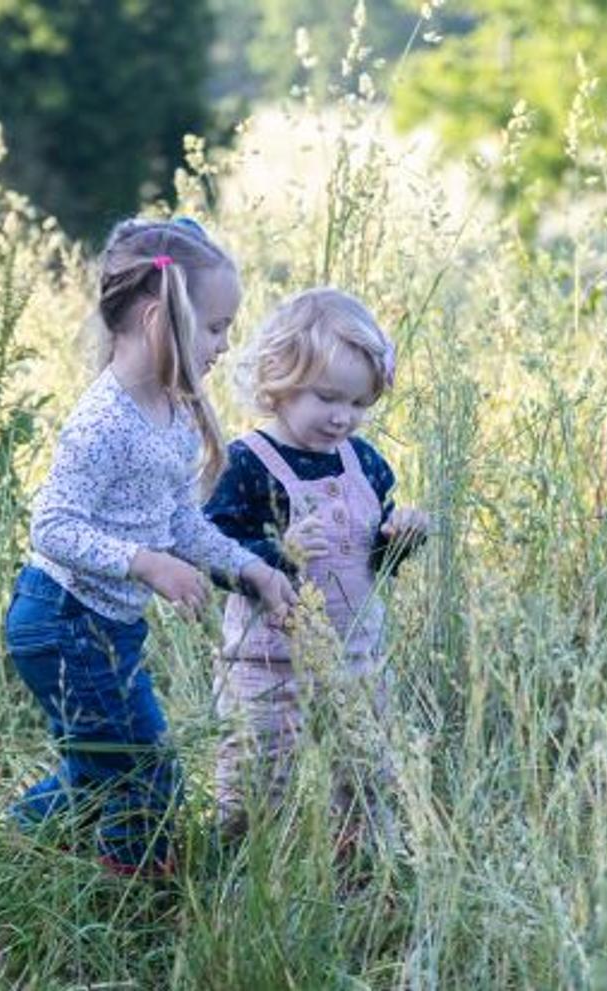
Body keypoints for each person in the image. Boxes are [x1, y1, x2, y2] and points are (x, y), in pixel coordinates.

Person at [4, 217, 296, 877]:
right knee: (144, 772)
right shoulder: (101, 422)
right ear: (158, 318)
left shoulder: (174, 411)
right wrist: (145, 562)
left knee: (98, 770)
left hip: (107, 626)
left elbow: (181, 525)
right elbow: (51, 524)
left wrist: (251, 568)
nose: (226, 343)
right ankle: (141, 900)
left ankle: (13, 845)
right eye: (216, 325)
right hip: (62, 619)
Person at [204, 287, 430, 860]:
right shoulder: (248, 462)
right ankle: (239, 866)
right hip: (266, 663)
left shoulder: (367, 463)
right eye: (327, 397)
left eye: (358, 403)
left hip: (355, 656)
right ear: (279, 381)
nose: (342, 416)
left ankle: (363, 868)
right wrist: (278, 551)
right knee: (261, 776)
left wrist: (399, 540)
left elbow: (372, 563)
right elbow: (212, 548)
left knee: (365, 770)